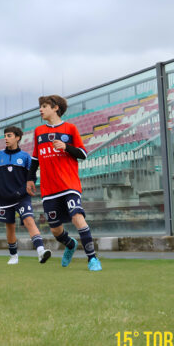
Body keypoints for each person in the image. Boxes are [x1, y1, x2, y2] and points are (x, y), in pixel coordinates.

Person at [30, 95, 100, 271]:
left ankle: (92, 259)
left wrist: (66, 147)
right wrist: (30, 179)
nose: (40, 110)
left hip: (69, 184)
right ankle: (70, 244)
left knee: (77, 217)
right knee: (55, 230)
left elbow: (83, 154)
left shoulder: (70, 128)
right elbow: (35, 158)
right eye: (40, 106)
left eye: (44, 106)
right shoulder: (38, 131)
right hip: (48, 188)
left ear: (55, 108)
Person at [0, 126, 51, 265]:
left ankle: (41, 251)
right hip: (4, 198)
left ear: (17, 138)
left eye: (9, 135)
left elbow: (32, 178)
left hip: (21, 197)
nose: (6, 138)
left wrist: (21, 192)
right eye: (5, 136)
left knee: (29, 221)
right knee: (10, 227)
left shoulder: (25, 157)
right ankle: (13, 256)